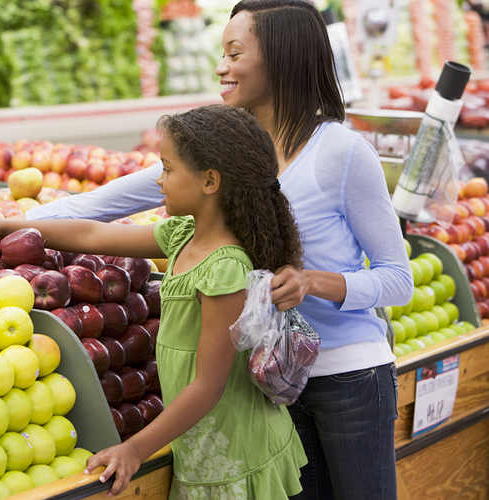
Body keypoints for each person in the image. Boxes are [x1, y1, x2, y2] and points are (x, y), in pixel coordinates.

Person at [21, 1, 413, 499]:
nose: (220, 67)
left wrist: (316, 282)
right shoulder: (228, 149)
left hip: (347, 376)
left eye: (234, 52)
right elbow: (103, 206)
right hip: (267, 382)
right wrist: (8, 227)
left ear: (281, 58)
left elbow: (397, 279)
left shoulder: (343, 153)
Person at [0, 104, 308, 499]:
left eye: (167, 169)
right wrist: (6, 225)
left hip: (234, 449)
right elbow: (92, 236)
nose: (159, 180)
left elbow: (208, 386)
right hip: (202, 438)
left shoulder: (225, 269)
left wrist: (135, 448)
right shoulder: (184, 234)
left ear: (210, 181)